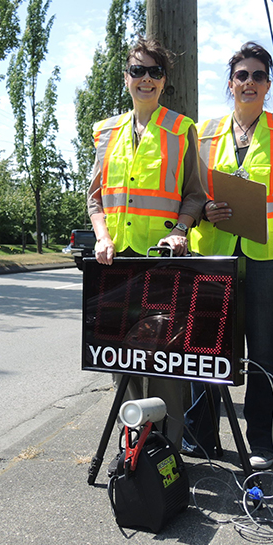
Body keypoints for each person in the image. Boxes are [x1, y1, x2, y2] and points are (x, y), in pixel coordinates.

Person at [181, 42, 273, 470]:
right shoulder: (203, 133)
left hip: (270, 258)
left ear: (268, 84)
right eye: (243, 75)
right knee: (205, 349)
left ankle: (264, 442)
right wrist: (204, 209)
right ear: (230, 82)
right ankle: (201, 440)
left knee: (263, 350)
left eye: (259, 76)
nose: (250, 83)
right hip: (213, 255)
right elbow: (187, 192)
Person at [87, 37, 206, 449]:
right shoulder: (106, 131)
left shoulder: (181, 129)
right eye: (138, 71)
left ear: (164, 81)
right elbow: (95, 196)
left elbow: (195, 193)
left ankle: (168, 447)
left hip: (162, 262)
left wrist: (179, 230)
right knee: (123, 358)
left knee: (164, 358)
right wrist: (103, 236)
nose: (146, 79)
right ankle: (133, 439)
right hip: (117, 262)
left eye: (155, 72)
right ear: (126, 78)